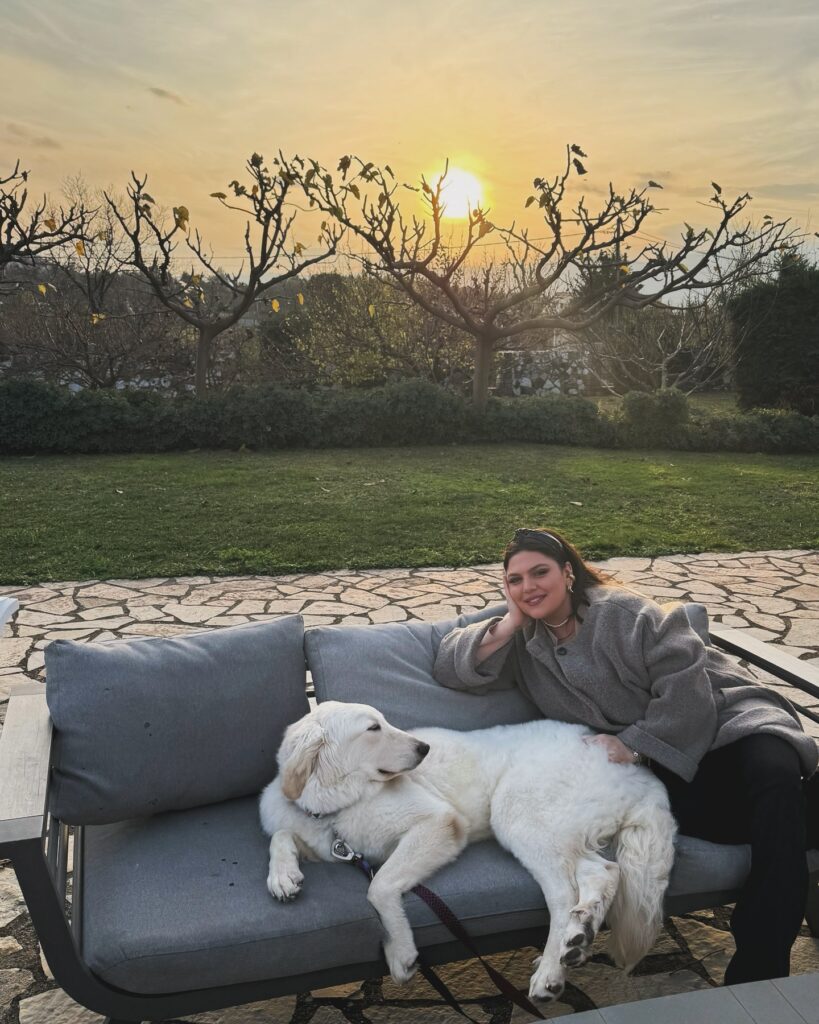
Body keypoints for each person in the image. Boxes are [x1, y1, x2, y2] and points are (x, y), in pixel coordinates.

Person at [433, 526, 819, 985]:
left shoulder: (626, 613)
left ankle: (760, 963)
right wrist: (510, 621)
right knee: (763, 820)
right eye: (515, 580)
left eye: (540, 573)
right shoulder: (524, 639)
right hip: (669, 761)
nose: (529, 586)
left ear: (568, 574)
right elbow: (450, 666)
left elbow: (689, 694)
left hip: (732, 722)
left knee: (774, 785)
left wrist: (632, 743)